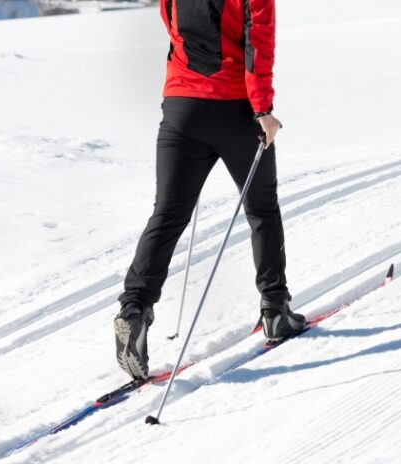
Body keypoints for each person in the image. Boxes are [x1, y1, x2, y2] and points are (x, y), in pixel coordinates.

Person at [113, 0, 305, 380]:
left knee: (167, 215)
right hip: (236, 109)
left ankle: (134, 309)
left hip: (181, 107)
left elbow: (174, 28)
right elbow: (259, 44)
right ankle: (275, 310)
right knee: (261, 210)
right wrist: (263, 109)